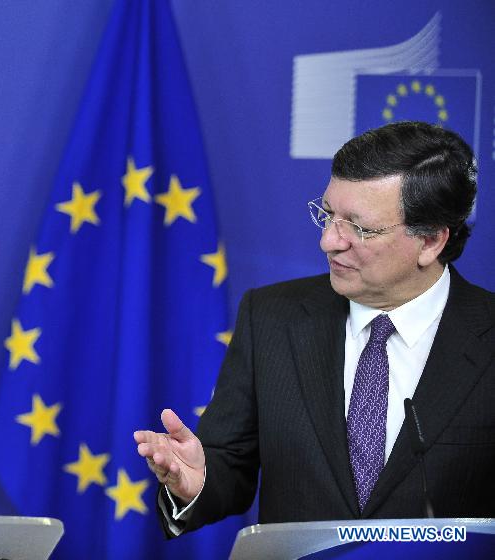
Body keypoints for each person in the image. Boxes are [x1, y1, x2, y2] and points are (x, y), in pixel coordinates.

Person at [134, 121, 494, 536]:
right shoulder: (270, 318)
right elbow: (228, 464)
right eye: (328, 215)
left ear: (430, 241)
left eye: (358, 228)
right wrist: (196, 483)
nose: (329, 241)